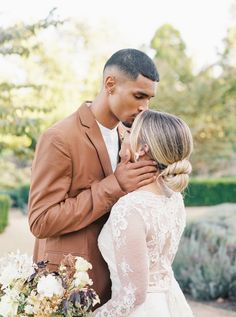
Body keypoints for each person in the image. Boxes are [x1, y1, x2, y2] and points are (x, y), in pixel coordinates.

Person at [28, 48, 159, 306]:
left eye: (149, 99)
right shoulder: (60, 138)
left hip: (119, 287)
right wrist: (115, 186)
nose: (145, 107)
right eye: (139, 96)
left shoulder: (131, 138)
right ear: (110, 84)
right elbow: (40, 220)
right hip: (69, 290)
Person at [92, 110, 194, 316]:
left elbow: (134, 294)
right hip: (168, 303)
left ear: (143, 148)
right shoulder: (174, 198)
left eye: (130, 132)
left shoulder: (131, 207)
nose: (125, 136)